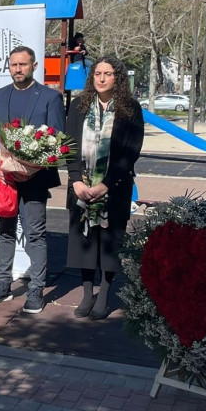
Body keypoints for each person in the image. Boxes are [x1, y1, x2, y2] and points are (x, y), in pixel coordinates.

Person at [0, 45, 65, 314]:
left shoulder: (50, 97)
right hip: (5, 178)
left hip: (35, 179)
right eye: (14, 65)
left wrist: (31, 166)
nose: (18, 69)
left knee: (35, 234)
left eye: (23, 64)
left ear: (34, 66)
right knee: (5, 231)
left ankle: (36, 288)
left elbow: (57, 139)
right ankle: (3, 283)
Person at [65, 56, 144, 320]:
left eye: (107, 74)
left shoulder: (130, 109)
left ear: (117, 78)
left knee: (110, 244)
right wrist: (76, 180)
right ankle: (87, 294)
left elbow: (131, 151)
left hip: (114, 188)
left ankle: (105, 294)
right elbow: (68, 145)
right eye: (97, 73)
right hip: (81, 187)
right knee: (84, 242)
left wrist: (107, 184)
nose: (101, 78)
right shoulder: (78, 106)